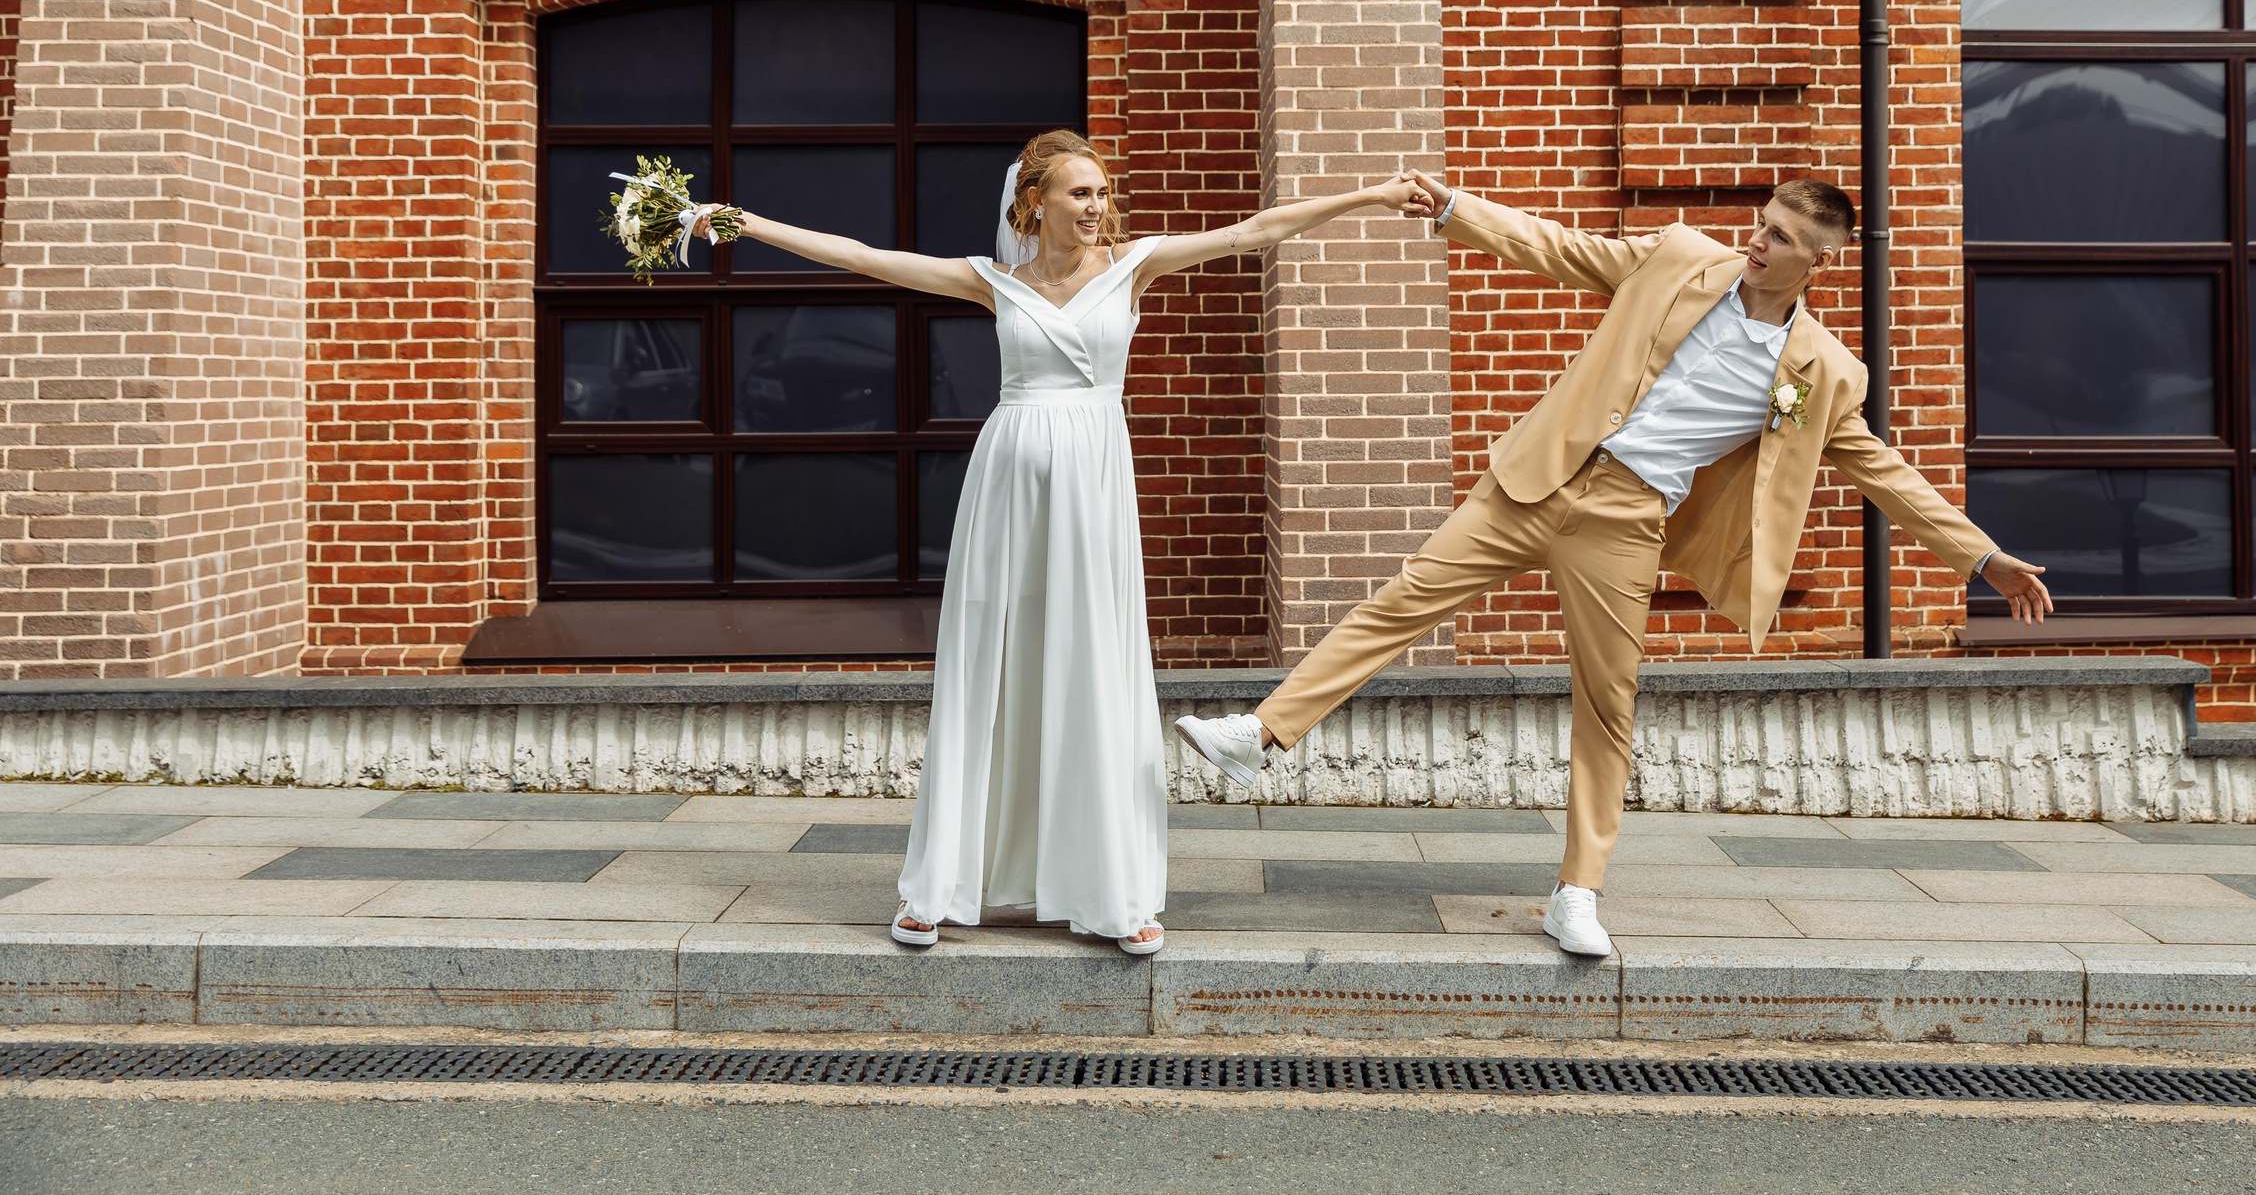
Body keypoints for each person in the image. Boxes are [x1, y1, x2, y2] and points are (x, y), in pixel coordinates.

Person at [1177, 174, 2055, 960]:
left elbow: (1881, 470)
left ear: (1818, 262)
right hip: (1539, 475)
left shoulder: (1823, 372)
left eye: (1782, 237)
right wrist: (1456, 211)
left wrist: (1982, 556)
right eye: (1762, 222)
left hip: (1627, 521)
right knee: (1401, 599)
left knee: (1607, 705)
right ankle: (1261, 735)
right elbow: (1566, 249)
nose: (1758, 240)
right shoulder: (1678, 256)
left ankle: (1576, 892)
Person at [694, 133, 1413, 956]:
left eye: (1102, 192)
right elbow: (866, 258)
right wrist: (746, 223)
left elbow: (1255, 231)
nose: (1097, 206)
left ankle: (1118, 893)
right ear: (1034, 202)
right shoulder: (991, 280)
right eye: (1080, 193)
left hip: (1094, 496)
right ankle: (935, 889)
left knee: (1095, 667)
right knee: (991, 668)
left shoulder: (1134, 264)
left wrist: (1368, 196)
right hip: (1006, 493)